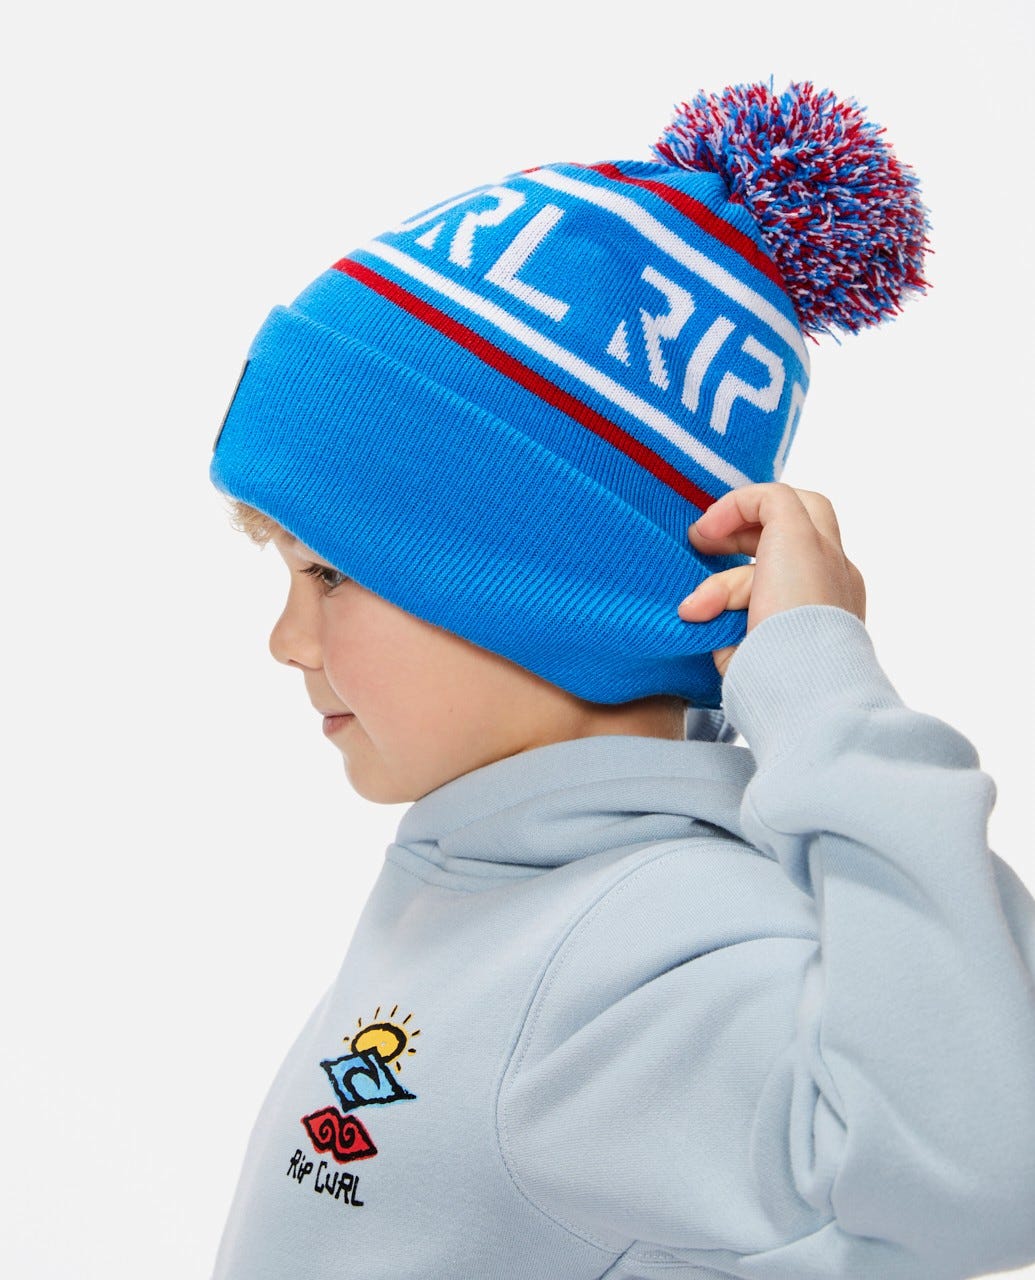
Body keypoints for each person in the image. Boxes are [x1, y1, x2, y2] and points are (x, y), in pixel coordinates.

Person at [206, 81, 1035, 1279]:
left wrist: (826, 700)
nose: (288, 639)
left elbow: (984, 1164)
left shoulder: (644, 946)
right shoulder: (504, 888)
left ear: (539, 585)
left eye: (328, 570)